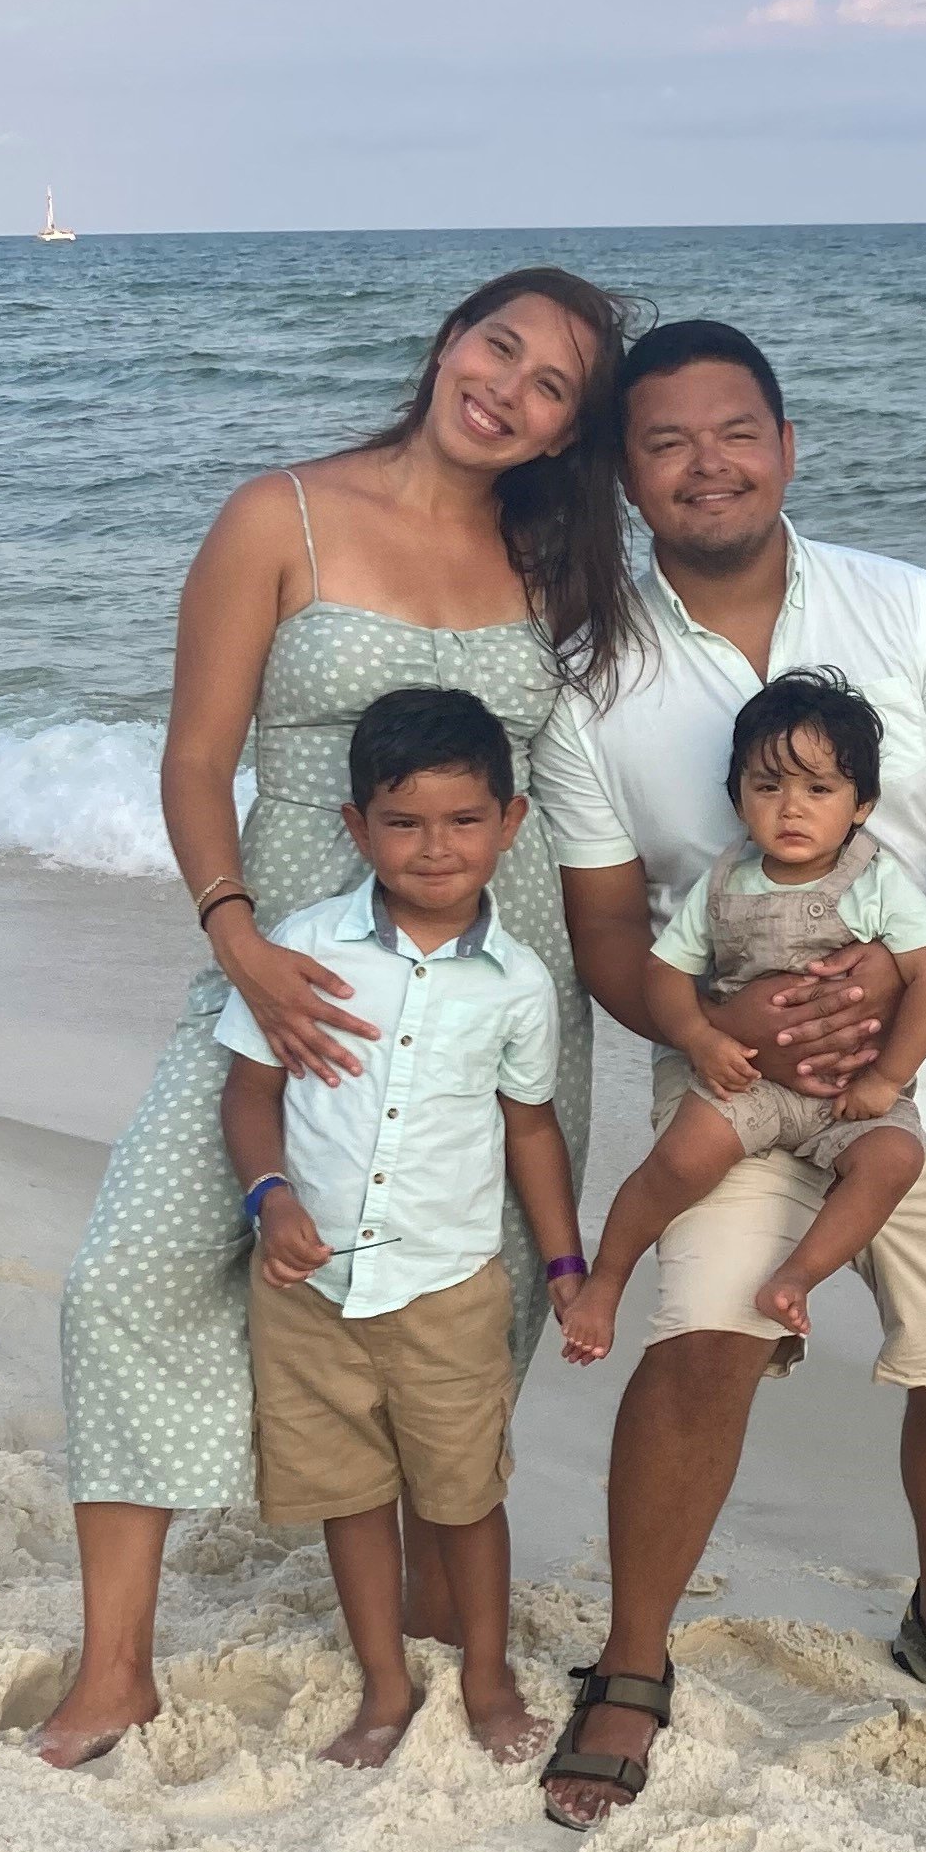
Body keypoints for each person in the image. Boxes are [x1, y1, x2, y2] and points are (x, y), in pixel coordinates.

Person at [34, 265, 638, 1770]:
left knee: (455, 1306)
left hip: (500, 989)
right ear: (450, 340)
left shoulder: (550, 568)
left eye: (551, 383)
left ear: (569, 432)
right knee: (131, 1277)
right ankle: (117, 1667)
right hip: (285, 982)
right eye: (497, 345)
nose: (505, 384)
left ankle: (437, 1624)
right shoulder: (279, 518)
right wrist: (235, 935)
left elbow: (588, 791)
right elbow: (194, 760)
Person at [532, 319, 926, 1829]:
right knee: (695, 1348)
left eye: (736, 431)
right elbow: (611, 930)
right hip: (733, 1081)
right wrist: (715, 1032)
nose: (709, 464)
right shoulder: (594, 681)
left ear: (786, 441)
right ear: (626, 475)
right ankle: (633, 1664)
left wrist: (903, 966)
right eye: (668, 441)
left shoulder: (907, 609)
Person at [220, 686, 586, 1767]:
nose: (436, 848)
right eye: (405, 822)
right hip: (311, 1291)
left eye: (465, 820)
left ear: (510, 824)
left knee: (465, 1497)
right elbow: (248, 1097)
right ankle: (383, 1688)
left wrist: (566, 1264)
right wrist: (269, 1200)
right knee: (350, 1498)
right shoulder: (304, 948)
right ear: (355, 827)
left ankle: (486, 1676)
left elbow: (531, 1132)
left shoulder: (519, 986)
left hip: (446, 1287)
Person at [560, 666, 926, 1366]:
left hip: (850, 1089)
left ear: (861, 804)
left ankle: (795, 1279)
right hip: (751, 1083)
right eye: (768, 787)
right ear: (738, 797)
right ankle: (608, 1281)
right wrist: (699, 1038)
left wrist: (889, 1078)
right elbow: (665, 971)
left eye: (819, 789)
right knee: (679, 1160)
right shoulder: (724, 882)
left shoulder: (876, 882)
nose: (791, 809)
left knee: (895, 1159)